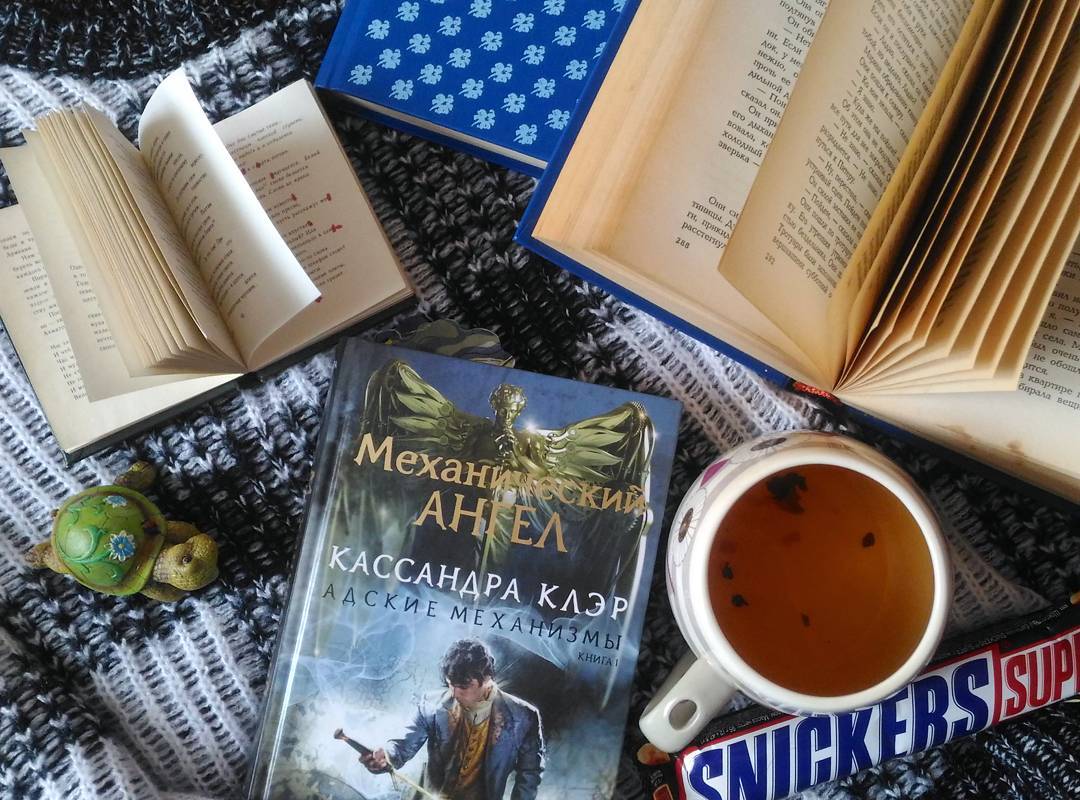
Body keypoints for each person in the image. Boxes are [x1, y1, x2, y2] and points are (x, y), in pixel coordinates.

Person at [361, 638, 544, 800]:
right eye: (450, 685)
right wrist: (385, 756)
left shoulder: (524, 716)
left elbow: (530, 773)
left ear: (487, 678)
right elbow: (402, 748)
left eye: (463, 686)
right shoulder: (431, 704)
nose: (455, 694)